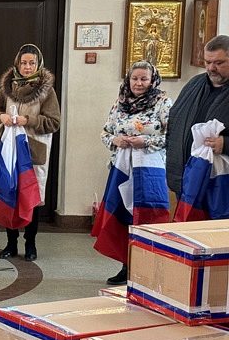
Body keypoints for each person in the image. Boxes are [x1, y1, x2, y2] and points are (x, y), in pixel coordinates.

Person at [0, 43, 60, 262]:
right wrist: (1, 117)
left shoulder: (46, 90)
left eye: (31, 63)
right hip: (10, 151)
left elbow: (54, 122)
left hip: (33, 151)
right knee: (10, 194)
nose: (27, 67)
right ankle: (11, 243)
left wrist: (29, 120)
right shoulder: (7, 88)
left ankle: (30, 243)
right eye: (24, 63)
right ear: (17, 64)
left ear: (38, 64)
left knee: (30, 198)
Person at [98, 61, 171, 284]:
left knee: (148, 217)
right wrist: (116, 140)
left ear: (153, 80)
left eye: (144, 79)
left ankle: (150, 269)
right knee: (123, 215)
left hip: (150, 169)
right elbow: (105, 133)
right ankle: (127, 265)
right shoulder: (120, 102)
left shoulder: (163, 102)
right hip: (122, 166)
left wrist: (145, 141)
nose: (138, 83)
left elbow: (171, 136)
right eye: (134, 78)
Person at [166, 34, 229, 197]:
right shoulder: (194, 84)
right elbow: (174, 122)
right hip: (187, 181)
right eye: (207, 62)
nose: (211, 68)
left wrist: (226, 144)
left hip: (220, 187)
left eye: (219, 63)